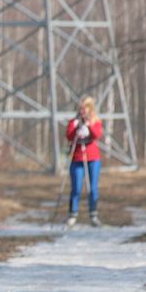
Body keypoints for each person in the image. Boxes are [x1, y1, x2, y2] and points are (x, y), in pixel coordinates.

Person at [65, 95, 103, 227]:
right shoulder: (73, 121)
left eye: (85, 108)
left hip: (92, 158)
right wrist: (77, 127)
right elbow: (69, 136)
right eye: (81, 108)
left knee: (92, 187)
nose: (82, 111)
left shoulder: (95, 121)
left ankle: (93, 214)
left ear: (89, 109)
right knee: (76, 187)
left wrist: (88, 124)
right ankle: (72, 214)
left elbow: (96, 135)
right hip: (77, 158)